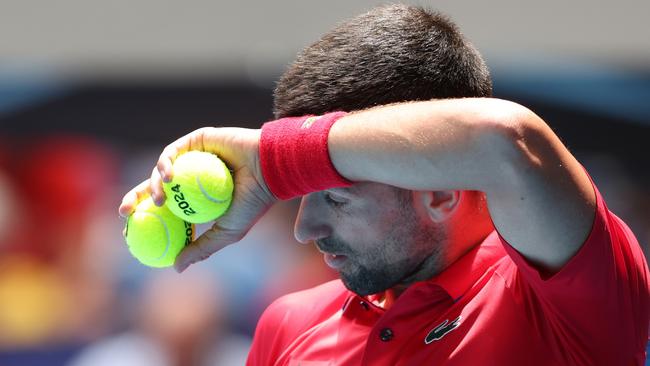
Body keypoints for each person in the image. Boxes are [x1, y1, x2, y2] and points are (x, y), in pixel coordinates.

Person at [119, 4, 649, 365]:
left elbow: (505, 141)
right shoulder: (289, 323)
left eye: (335, 194)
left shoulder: (563, 302)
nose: (305, 229)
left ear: (441, 190)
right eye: (302, 194)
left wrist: (271, 157)